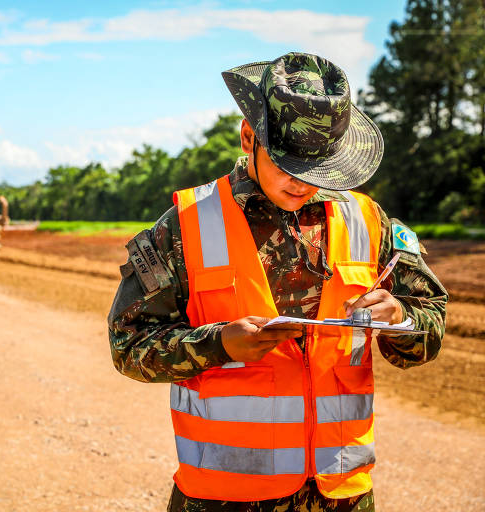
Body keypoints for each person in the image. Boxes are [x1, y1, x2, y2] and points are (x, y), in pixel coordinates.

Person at [107, 52, 447, 512]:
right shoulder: (184, 228)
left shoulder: (368, 221)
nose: (303, 183)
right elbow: (128, 347)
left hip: (342, 495)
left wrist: (401, 316)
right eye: (289, 164)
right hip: (224, 499)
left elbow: (430, 326)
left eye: (318, 166)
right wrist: (219, 344)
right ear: (249, 137)